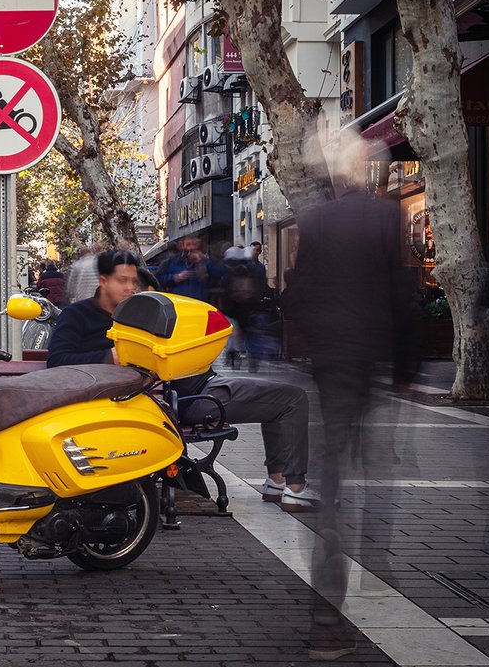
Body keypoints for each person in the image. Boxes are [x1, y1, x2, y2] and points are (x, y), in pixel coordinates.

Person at [47, 250, 319, 515]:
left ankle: (277, 480)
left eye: (133, 281)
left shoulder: (141, 310)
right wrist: (111, 356)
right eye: (122, 281)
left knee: (280, 397)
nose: (130, 287)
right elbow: (57, 361)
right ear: (103, 281)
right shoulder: (79, 315)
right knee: (292, 398)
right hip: (186, 399)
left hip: (194, 386)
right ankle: (295, 488)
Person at [283, 135, 418, 660]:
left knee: (331, 477)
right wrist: (407, 369)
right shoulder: (388, 220)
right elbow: (403, 296)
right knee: (378, 470)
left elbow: (297, 293)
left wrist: (308, 342)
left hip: (330, 364)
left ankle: (327, 608)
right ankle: (376, 571)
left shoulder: (314, 222)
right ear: (374, 175)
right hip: (372, 362)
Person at [157, 235, 207, 301]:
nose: (191, 247)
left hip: (199, 302)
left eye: (194, 244)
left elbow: (217, 275)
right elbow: (158, 279)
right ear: (182, 246)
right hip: (178, 300)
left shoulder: (204, 260)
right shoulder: (171, 261)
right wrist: (176, 277)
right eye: (188, 244)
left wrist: (200, 263)